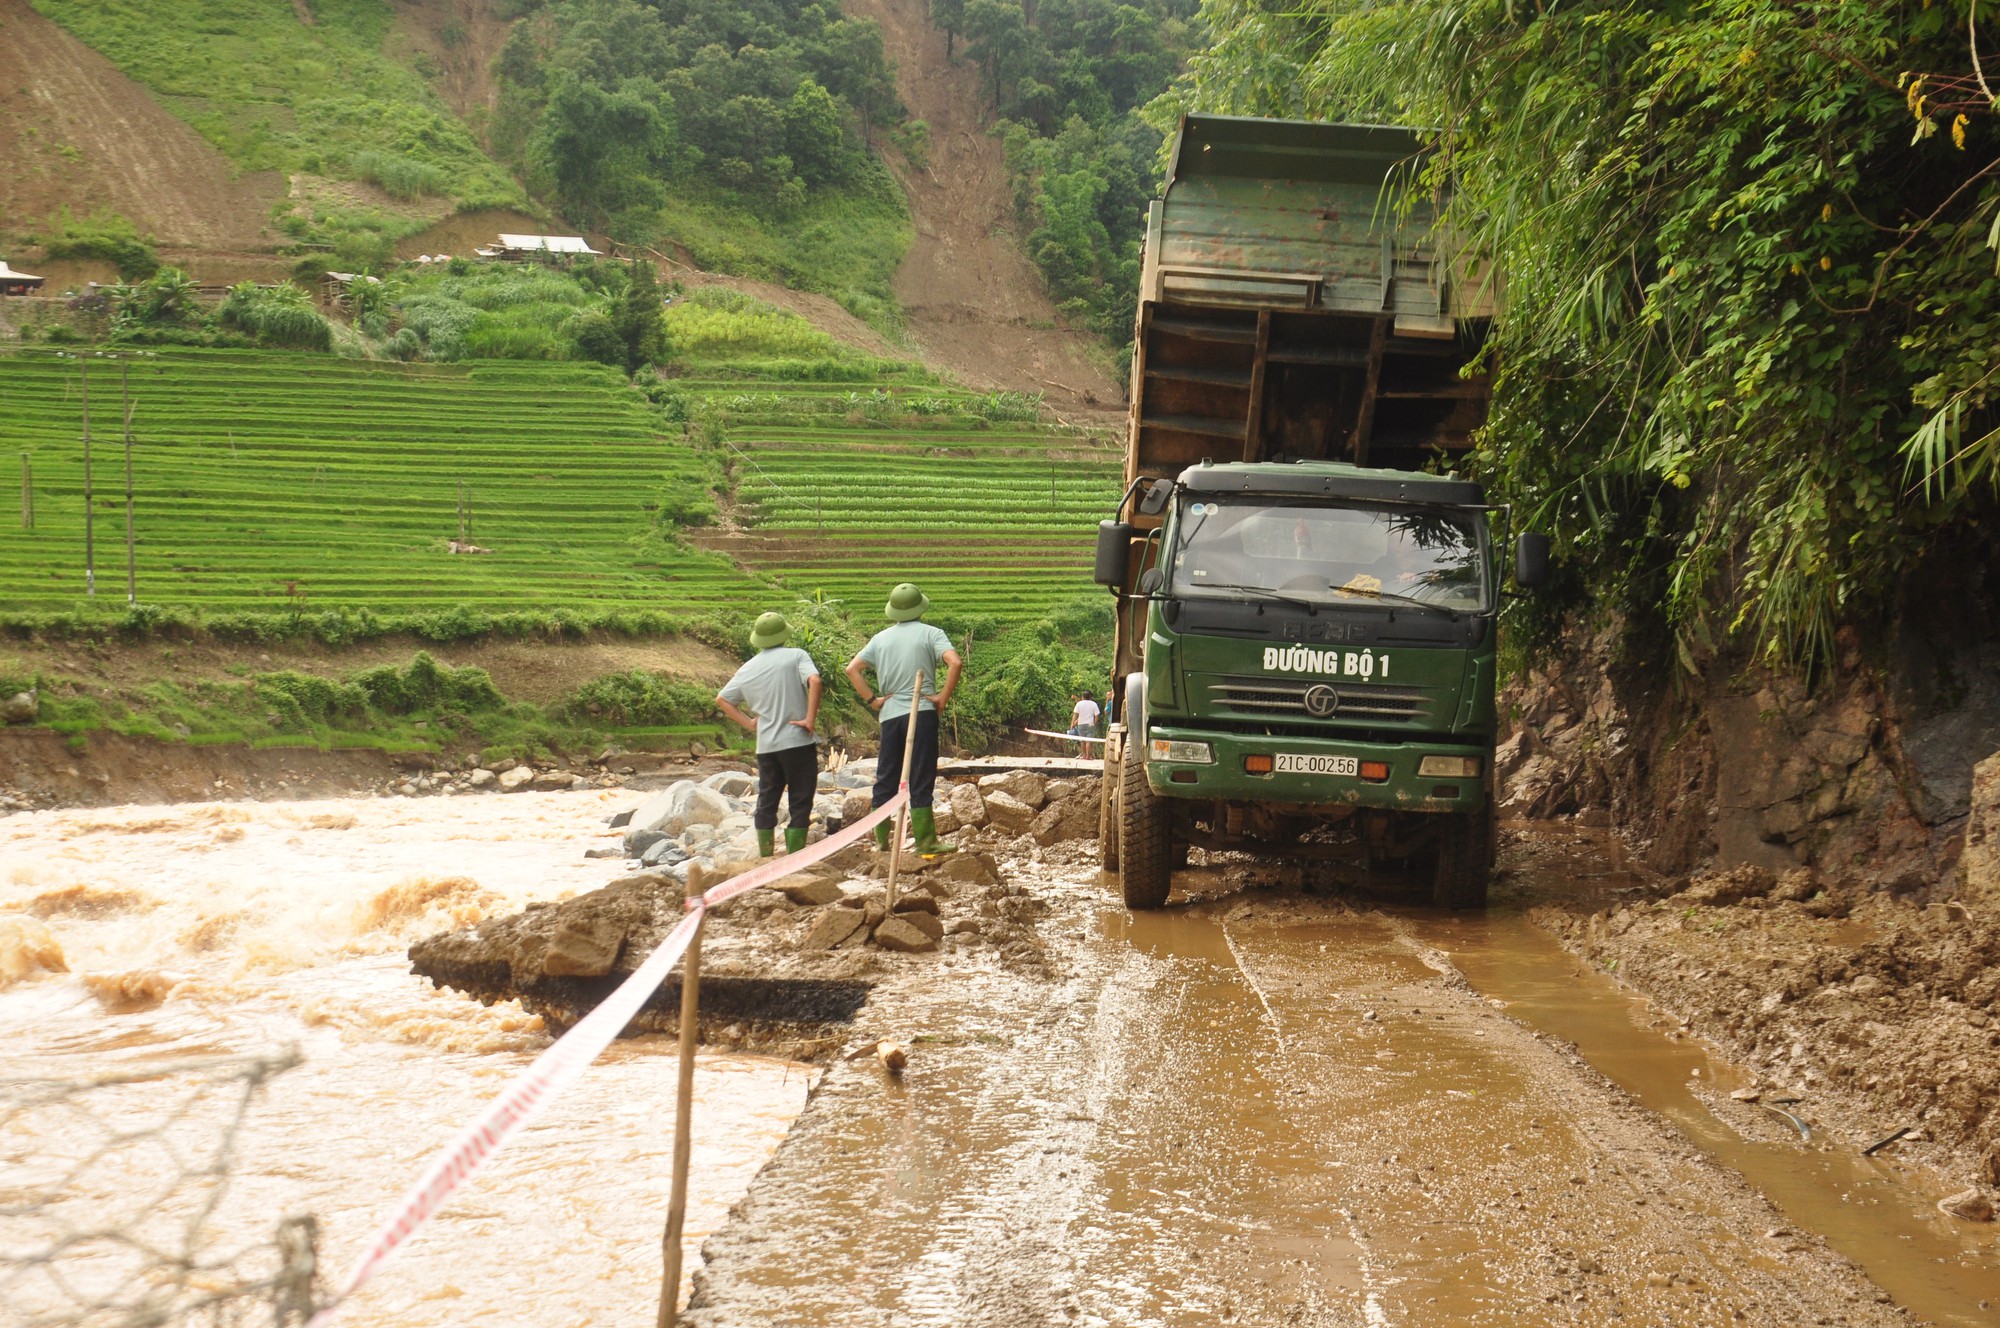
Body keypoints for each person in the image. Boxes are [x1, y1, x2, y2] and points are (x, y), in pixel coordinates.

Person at [844, 582, 962, 857]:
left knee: (886, 775)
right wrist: (942, 697)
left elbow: (852, 669)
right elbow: (955, 662)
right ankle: (926, 842)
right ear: (921, 607)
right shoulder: (932, 634)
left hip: (890, 715)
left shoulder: (880, 639)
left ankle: (882, 842)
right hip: (921, 712)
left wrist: (873, 700)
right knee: (921, 774)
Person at [715, 611, 822, 858]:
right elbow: (815, 681)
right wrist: (809, 719)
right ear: (784, 633)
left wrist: (750, 723)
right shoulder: (796, 656)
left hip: (766, 746)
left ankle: (766, 856)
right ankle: (795, 857)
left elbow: (723, 699)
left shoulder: (747, 669)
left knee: (767, 799)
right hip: (796, 741)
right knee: (800, 800)